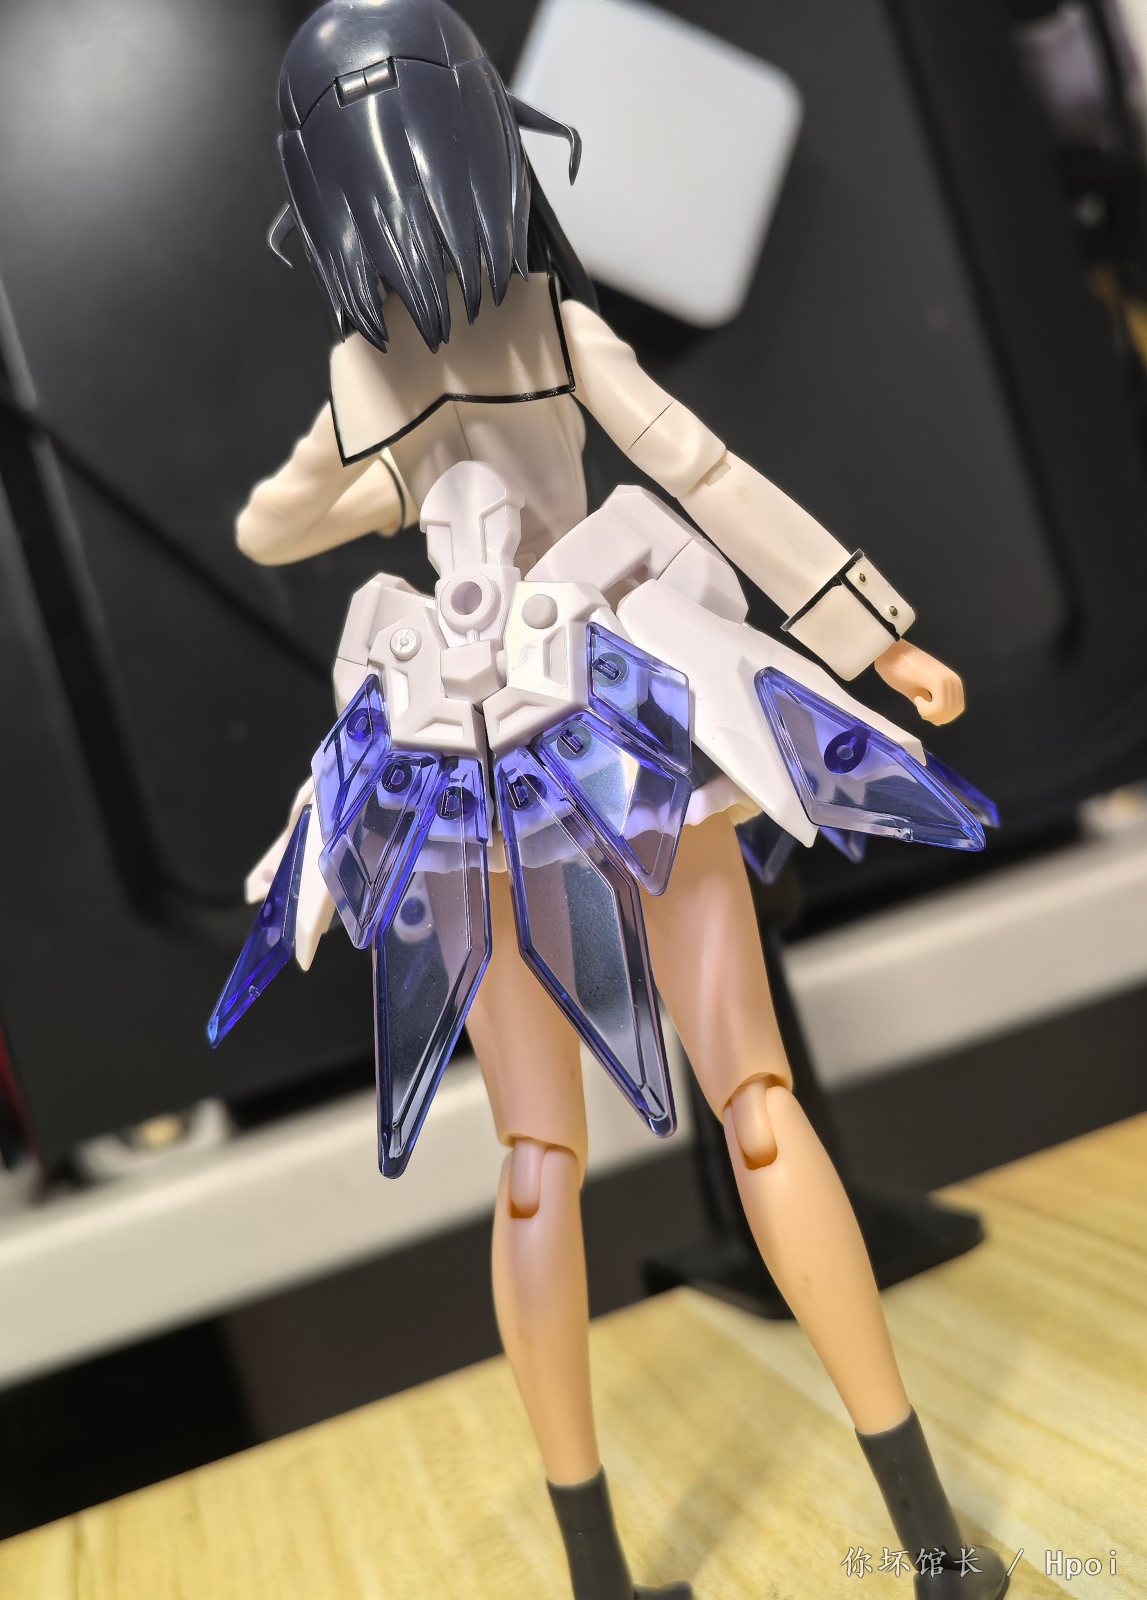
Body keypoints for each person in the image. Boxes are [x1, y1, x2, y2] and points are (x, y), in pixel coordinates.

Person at [227, 4, 1008, 1596]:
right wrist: (873, 635)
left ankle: (597, 1577)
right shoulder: (548, 325)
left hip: (455, 751)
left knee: (537, 1159)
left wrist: (385, 473)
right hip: (605, 709)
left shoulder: (363, 373)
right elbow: (700, 474)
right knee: (757, 1105)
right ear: (485, 137)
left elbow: (267, 531)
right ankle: (932, 1545)